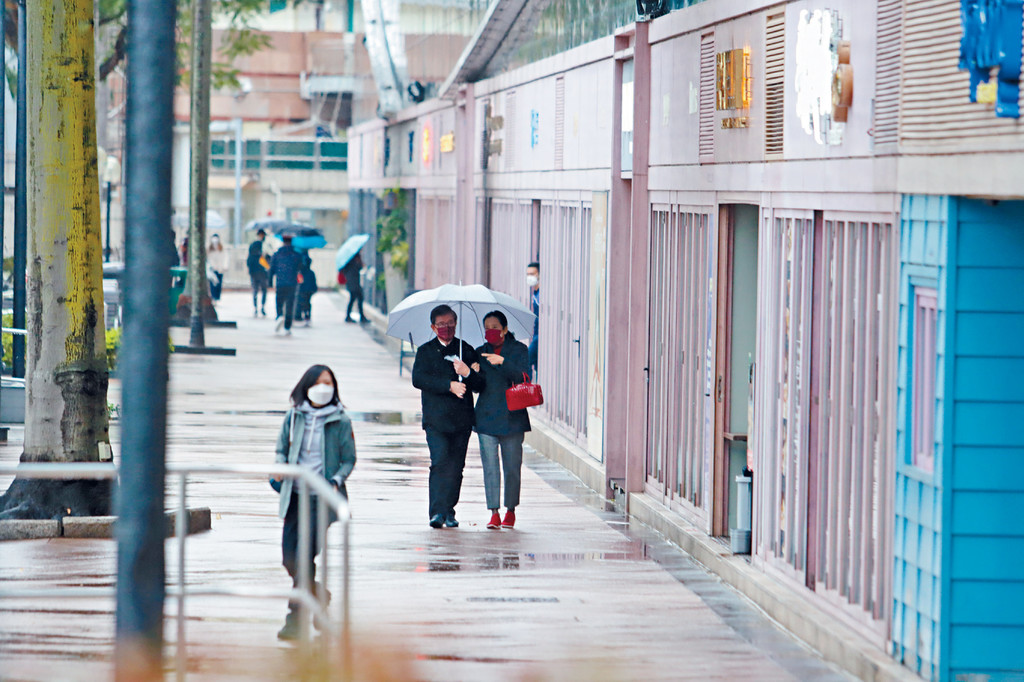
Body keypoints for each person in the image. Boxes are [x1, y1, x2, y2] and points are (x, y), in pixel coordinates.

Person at [270, 364, 356, 640]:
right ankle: (318, 596)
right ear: (306, 386)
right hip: (295, 496)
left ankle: (295, 620)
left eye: (328, 382)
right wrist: (281, 467)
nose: (323, 387)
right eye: (318, 382)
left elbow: (349, 459)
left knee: (305, 556)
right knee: (289, 559)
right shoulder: (294, 417)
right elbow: (281, 449)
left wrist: (336, 480)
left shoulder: (340, 420)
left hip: (322, 499)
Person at [411, 304, 484, 529]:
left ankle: (450, 510)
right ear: (433, 327)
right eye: (442, 324)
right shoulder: (425, 351)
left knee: (456, 466)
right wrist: (448, 385)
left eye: (451, 323)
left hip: (461, 420)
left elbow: (480, 384)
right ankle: (437, 512)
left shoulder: (466, 349)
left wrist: (468, 373)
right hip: (436, 420)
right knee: (439, 462)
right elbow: (418, 380)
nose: (447, 328)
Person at [471, 311, 531, 530]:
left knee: (512, 466)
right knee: (490, 466)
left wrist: (503, 362)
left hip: (513, 418)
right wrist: (472, 373)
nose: (490, 331)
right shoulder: (479, 352)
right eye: (486, 327)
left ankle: (510, 510)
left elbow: (524, 378)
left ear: (505, 329)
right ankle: (494, 512)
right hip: (486, 418)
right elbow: (477, 387)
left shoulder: (519, 350)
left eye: (495, 327)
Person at [269, 234, 304, 335]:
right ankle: (287, 326)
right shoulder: (297, 255)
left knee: (279, 301)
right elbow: (301, 267)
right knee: (290, 304)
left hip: (280, 282)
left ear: (283, 242)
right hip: (292, 283)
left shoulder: (277, 254)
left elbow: (272, 269)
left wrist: (270, 282)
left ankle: (279, 315)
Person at [247, 229, 270, 317]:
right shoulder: (263, 246)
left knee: (255, 290)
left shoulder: (253, 246)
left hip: (254, 272)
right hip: (262, 272)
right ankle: (261, 307)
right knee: (263, 290)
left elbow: (249, 260)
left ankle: (256, 308)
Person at [341, 251, 366, 324]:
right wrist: (360, 261)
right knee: (357, 299)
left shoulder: (347, 262)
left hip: (351, 283)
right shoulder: (353, 262)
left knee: (354, 299)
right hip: (354, 284)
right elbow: (360, 267)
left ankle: (350, 316)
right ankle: (357, 316)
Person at [526, 262, 540, 378]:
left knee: (527, 360)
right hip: (535, 334)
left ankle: (527, 388)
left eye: (532, 274)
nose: (529, 277)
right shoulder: (535, 292)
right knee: (536, 364)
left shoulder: (541, 294)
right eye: (528, 274)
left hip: (539, 336)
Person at [207, 234, 230, 301]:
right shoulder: (209, 249)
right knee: (213, 284)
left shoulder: (222, 248)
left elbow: (225, 257)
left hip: (220, 269)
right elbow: (209, 259)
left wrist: (225, 266)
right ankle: (213, 297)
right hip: (213, 269)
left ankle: (217, 297)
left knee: (219, 284)